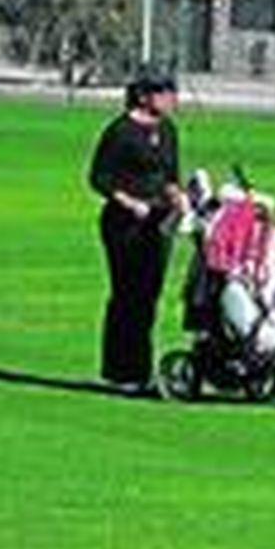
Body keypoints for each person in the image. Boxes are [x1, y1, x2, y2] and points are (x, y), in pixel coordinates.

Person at [88, 68, 184, 394]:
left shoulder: (168, 130)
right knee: (128, 296)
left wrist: (178, 196)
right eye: (164, 92)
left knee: (149, 298)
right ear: (144, 96)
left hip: (159, 224)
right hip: (124, 226)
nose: (172, 98)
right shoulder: (120, 131)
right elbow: (99, 178)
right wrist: (130, 202)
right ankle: (123, 372)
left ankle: (138, 372)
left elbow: (170, 175)